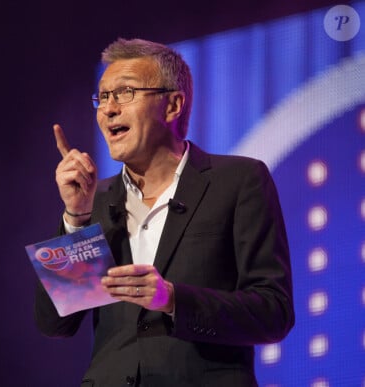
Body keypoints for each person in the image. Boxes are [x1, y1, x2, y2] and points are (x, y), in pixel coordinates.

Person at [34, 38, 294, 386]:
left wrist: (173, 299)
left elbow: (273, 312)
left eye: (125, 93)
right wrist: (76, 217)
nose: (108, 109)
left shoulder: (239, 180)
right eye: (103, 97)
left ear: (172, 105)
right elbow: (55, 324)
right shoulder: (94, 200)